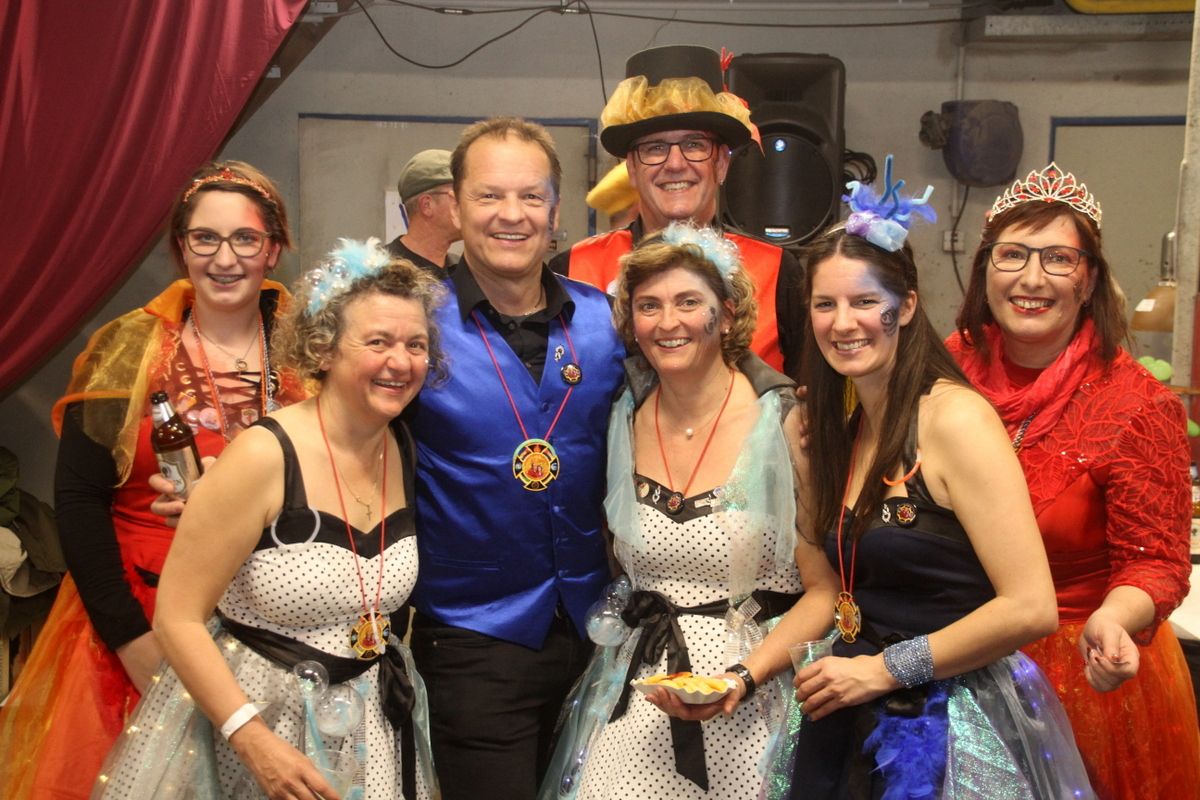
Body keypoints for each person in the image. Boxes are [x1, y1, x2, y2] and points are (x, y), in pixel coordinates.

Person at [751, 159, 1093, 798]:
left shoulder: (955, 418)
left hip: (950, 729)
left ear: (905, 306)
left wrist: (887, 669)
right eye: (825, 304)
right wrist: (805, 469)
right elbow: (829, 585)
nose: (842, 322)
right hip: (852, 712)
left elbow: (1031, 607)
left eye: (864, 302)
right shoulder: (846, 425)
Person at [0, 161, 306, 800]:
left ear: (273, 248)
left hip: (282, 624)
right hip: (140, 618)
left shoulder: (311, 349)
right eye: (205, 238)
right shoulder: (127, 347)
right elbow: (79, 502)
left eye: (245, 238)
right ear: (181, 248)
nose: (225, 258)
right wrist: (131, 641)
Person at [94, 239, 443, 799]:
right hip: (255, 731)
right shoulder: (263, 455)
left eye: (415, 344)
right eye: (377, 341)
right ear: (324, 350)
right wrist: (250, 737)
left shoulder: (400, 446)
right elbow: (177, 618)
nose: (400, 362)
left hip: (370, 730)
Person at [947, 162, 1200, 798]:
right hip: (948, 657)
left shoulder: (1138, 405)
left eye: (1058, 258)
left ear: (1089, 280)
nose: (1031, 279)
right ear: (985, 270)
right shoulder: (939, 373)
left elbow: (1156, 562)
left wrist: (1116, 618)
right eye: (1012, 254)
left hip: (1079, 679)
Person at [539, 223, 804, 799]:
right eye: (648, 306)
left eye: (688, 302)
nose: (667, 322)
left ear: (726, 315)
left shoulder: (784, 422)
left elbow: (829, 590)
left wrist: (744, 677)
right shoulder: (621, 417)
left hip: (757, 696)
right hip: (638, 686)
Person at [406, 117, 626, 800]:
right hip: (471, 638)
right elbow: (339, 432)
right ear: (455, 206)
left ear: (556, 212)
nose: (512, 214)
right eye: (490, 195)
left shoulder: (608, 320)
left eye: (532, 196)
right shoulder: (412, 325)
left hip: (599, 635)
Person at [550, 44, 805, 378]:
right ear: (632, 168)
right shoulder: (572, 271)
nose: (674, 164)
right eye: (654, 148)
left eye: (694, 145)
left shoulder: (778, 272)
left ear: (721, 163)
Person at [385, 149, 461, 274]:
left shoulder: (461, 272)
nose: (469, 206)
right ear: (427, 205)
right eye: (459, 196)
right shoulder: (379, 274)